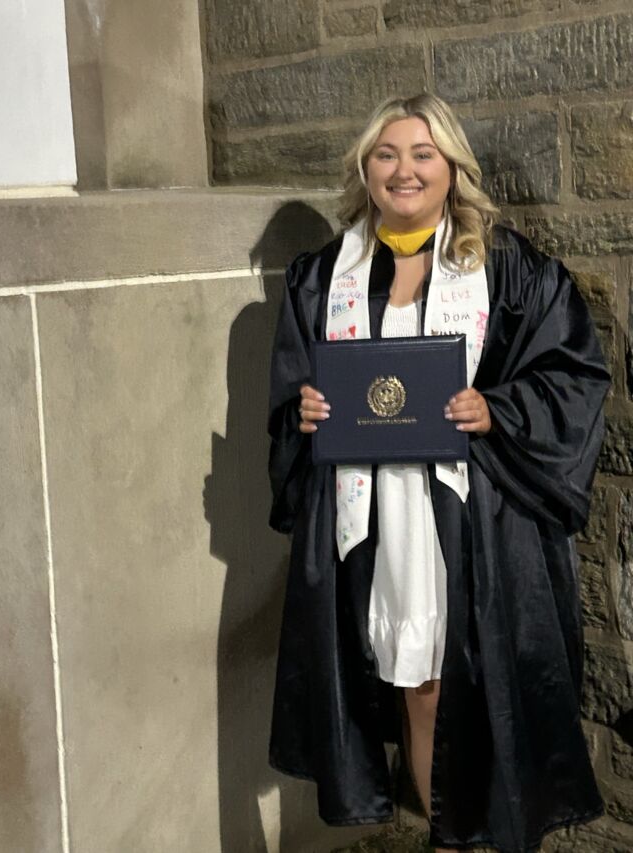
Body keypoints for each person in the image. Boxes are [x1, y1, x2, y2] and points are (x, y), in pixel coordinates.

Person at [266, 93, 610, 853]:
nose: (405, 170)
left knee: (481, 684)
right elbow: (290, 396)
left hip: (472, 511)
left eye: (423, 154)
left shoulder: (506, 266)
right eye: (386, 154)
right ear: (366, 168)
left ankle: (492, 834)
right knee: (418, 690)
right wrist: (306, 412)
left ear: (452, 167)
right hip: (377, 512)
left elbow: (573, 375)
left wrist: (498, 410)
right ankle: (448, 841)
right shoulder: (324, 277)